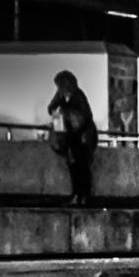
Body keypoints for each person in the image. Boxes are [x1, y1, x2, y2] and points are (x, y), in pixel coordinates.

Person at [47, 70, 99, 206]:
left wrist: (66, 112)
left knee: (82, 167)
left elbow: (85, 117)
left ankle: (84, 195)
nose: (59, 88)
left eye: (60, 85)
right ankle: (77, 194)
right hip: (69, 136)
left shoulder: (78, 96)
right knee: (73, 167)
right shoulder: (62, 96)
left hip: (81, 137)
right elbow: (51, 108)